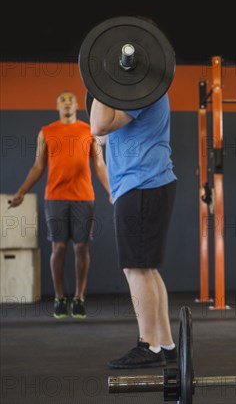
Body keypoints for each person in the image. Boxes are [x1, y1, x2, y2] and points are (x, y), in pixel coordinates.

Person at [90, 94, 177, 369]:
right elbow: (103, 138)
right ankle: (165, 344)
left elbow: (98, 127)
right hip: (141, 183)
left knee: (136, 268)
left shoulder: (142, 89)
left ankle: (148, 345)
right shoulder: (130, 90)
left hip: (142, 183)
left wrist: (99, 85)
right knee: (146, 268)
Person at [9, 91, 110, 319]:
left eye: (70, 100)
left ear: (76, 105)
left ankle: (79, 298)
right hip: (55, 197)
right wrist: (22, 192)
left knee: (81, 248)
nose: (66, 103)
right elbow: (38, 166)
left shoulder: (89, 131)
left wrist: (111, 191)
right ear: (57, 105)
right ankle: (59, 297)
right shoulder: (46, 132)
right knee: (59, 248)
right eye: (62, 100)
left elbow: (100, 165)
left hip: (84, 197)